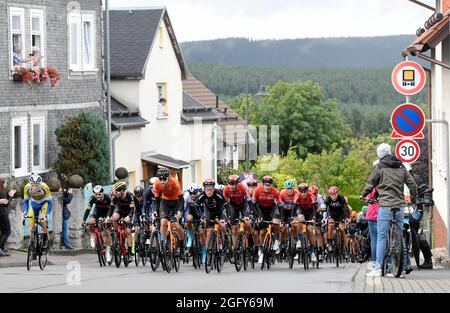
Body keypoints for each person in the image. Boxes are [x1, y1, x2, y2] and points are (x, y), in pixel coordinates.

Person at [362, 143, 417, 277]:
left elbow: (370, 183)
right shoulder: (401, 166)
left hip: (385, 205)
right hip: (399, 205)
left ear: (379, 155)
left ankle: (378, 268)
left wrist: (364, 195)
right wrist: (414, 197)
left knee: (381, 237)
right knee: (400, 235)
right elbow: (412, 185)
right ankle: (402, 269)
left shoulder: (379, 167)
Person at [404, 163, 434, 270]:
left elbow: (426, 189)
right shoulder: (397, 181)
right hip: (401, 210)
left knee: (419, 236)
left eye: (406, 172)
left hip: (415, 210)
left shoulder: (416, 180)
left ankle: (428, 260)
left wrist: (426, 198)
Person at [152, 167, 185, 256]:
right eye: (160, 179)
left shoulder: (175, 182)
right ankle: (163, 243)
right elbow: (157, 200)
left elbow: (182, 199)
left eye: (164, 179)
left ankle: (181, 246)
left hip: (176, 202)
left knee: (176, 225)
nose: (162, 181)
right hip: (165, 202)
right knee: (163, 222)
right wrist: (155, 211)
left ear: (169, 177)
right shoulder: (157, 184)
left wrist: (179, 211)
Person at [196, 178, 227, 264]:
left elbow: (227, 205)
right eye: (207, 190)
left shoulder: (218, 194)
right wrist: (201, 216)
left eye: (210, 190)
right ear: (204, 189)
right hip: (210, 213)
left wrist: (227, 218)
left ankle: (225, 236)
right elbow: (196, 206)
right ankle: (209, 253)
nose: (209, 192)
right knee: (209, 231)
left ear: (213, 189)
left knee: (222, 225)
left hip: (220, 212)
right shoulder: (202, 195)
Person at [252, 175, 282, 262]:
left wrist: (280, 218)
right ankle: (261, 251)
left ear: (271, 185)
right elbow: (253, 204)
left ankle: (276, 240)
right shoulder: (257, 190)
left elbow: (280, 206)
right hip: (260, 209)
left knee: (276, 222)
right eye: (266, 185)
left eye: (269, 185)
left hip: (272, 209)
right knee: (262, 232)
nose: (267, 187)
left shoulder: (276, 192)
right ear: (263, 184)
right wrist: (256, 216)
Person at [22, 174, 53, 252]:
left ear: (40, 185)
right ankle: (33, 243)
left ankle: (46, 238)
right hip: (34, 204)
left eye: (36, 186)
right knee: (31, 227)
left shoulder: (45, 187)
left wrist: (47, 215)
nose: (34, 187)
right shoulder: (26, 188)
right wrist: (25, 212)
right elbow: (26, 202)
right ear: (30, 184)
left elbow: (50, 202)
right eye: (32, 185)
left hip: (44, 204)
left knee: (42, 221)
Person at [83, 185, 113, 262]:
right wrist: (83, 220)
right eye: (96, 194)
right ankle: (93, 236)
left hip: (107, 213)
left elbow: (111, 209)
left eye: (99, 194)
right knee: (90, 222)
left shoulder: (107, 198)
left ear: (102, 193)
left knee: (107, 232)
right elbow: (88, 210)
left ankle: (108, 252)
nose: (97, 196)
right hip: (97, 212)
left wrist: (107, 218)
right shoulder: (92, 199)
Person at [223, 175, 253, 251]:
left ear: (237, 183)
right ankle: (235, 249)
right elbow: (224, 204)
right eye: (230, 184)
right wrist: (225, 215)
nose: (232, 186)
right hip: (233, 206)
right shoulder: (226, 189)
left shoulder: (242, 187)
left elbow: (249, 200)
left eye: (234, 184)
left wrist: (251, 213)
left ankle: (250, 238)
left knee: (247, 222)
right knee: (234, 229)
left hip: (243, 205)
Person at [110, 181, 135, 260]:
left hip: (129, 213)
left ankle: (130, 252)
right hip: (120, 212)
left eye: (116, 192)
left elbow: (132, 209)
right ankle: (116, 232)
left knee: (128, 231)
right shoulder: (116, 197)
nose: (115, 194)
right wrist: (108, 217)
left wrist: (129, 216)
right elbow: (111, 208)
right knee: (113, 217)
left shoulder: (130, 196)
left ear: (122, 191)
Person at [296, 183, 319, 262]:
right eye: (301, 191)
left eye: (305, 191)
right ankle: (299, 240)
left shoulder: (311, 195)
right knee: (299, 220)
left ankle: (312, 252)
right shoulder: (297, 195)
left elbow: (314, 208)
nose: (303, 193)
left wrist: (313, 217)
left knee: (310, 231)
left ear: (307, 190)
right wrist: (292, 216)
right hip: (301, 210)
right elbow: (294, 206)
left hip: (310, 212)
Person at [325, 186, 349, 255]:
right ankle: (329, 243)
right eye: (332, 195)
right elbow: (326, 209)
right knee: (330, 226)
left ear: (337, 194)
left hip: (340, 215)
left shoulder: (341, 198)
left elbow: (345, 209)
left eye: (335, 195)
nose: (333, 197)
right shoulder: (328, 199)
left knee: (342, 229)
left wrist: (345, 218)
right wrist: (327, 217)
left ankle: (344, 247)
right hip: (332, 215)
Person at [0, 178, 17, 256]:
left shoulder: (3, 192)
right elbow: (6, 203)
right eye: (5, 183)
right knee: (7, 232)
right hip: (2, 214)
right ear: (2, 184)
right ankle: (0, 249)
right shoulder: (2, 192)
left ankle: (1, 248)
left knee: (3, 232)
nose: (6, 185)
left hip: (2, 213)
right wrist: (11, 196)